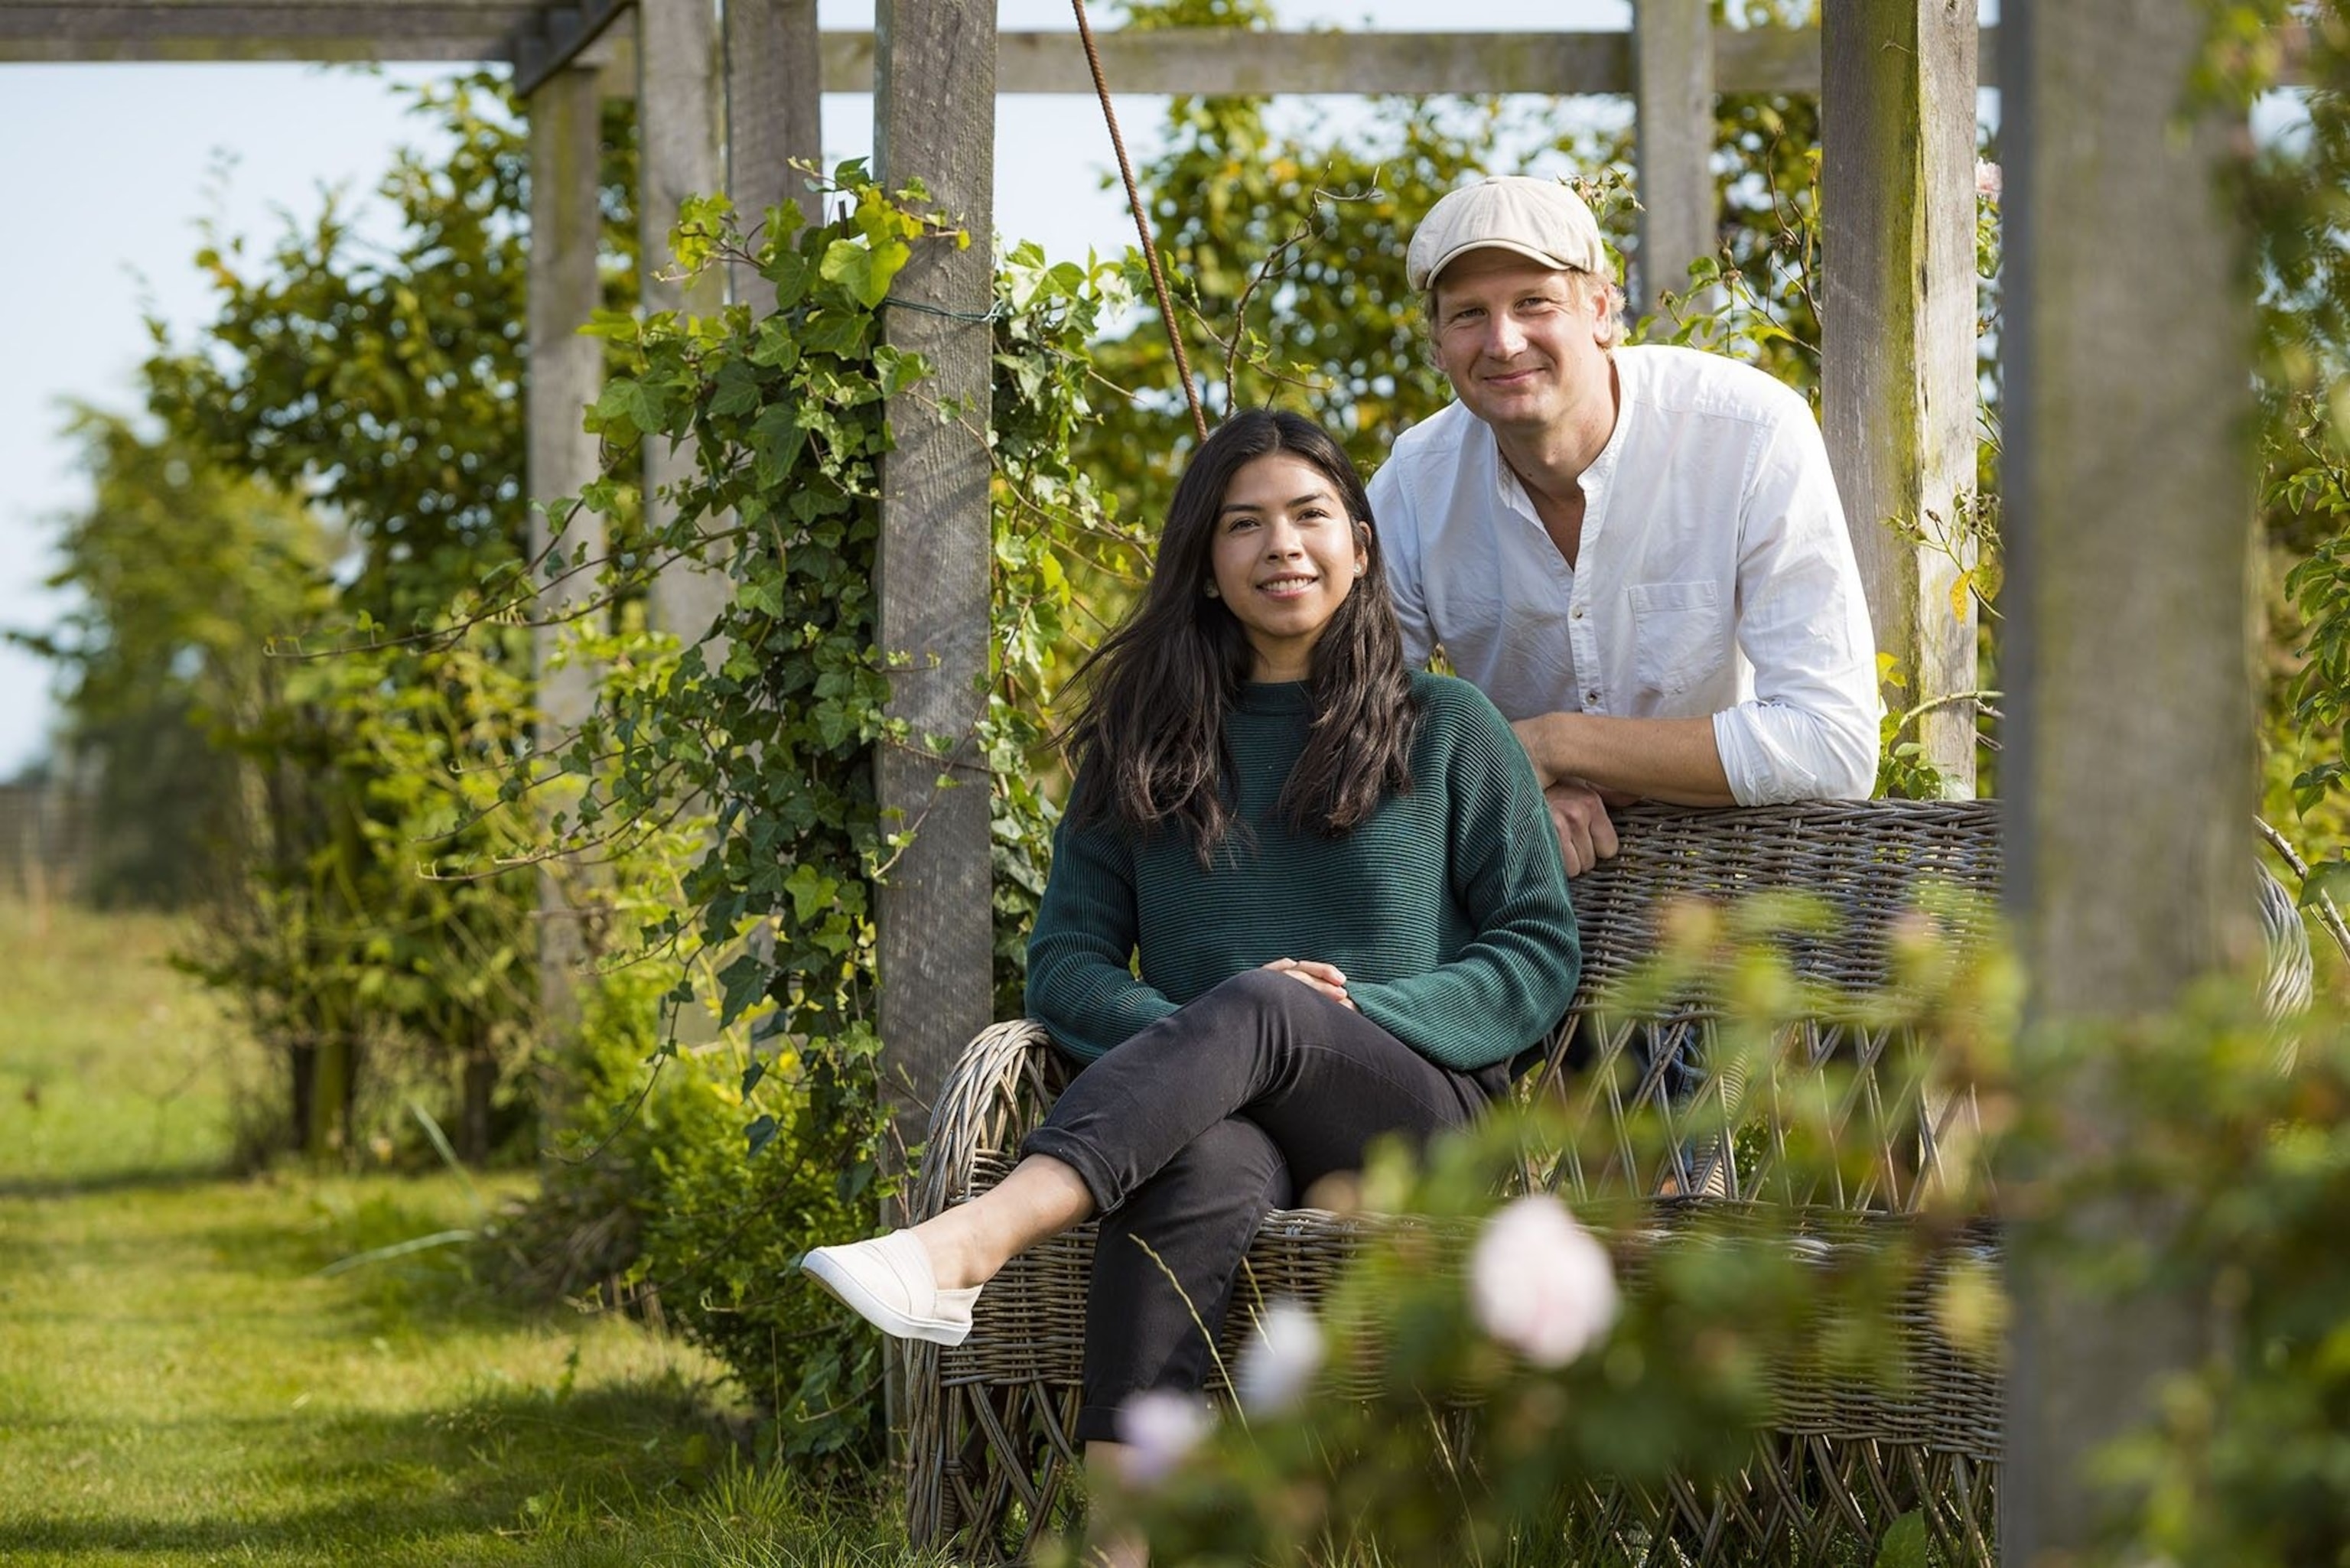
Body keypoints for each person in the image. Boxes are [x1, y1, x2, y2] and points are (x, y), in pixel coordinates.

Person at [801, 410, 1580, 1560]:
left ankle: (965, 1244)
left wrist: (1350, 1012)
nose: (1283, 546)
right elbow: (1064, 959)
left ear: (1362, 546)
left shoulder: (1448, 727)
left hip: (1416, 1110)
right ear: (1207, 567)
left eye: (1313, 516)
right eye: (1245, 524)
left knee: (1272, 1006)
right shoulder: (1144, 741)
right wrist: (1205, 1044)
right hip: (1214, 1113)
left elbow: (1535, 946)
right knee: (1196, 1166)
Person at [1369, 175, 1881, 876]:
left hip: (1745, 870)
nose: (1503, 340)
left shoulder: (1750, 433)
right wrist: (1501, 790)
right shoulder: (1413, 483)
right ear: (1436, 345)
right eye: (1467, 315)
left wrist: (1549, 746)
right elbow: (1348, 720)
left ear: (1602, 311)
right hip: (1525, 878)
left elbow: (1832, 746)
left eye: (1533, 303)